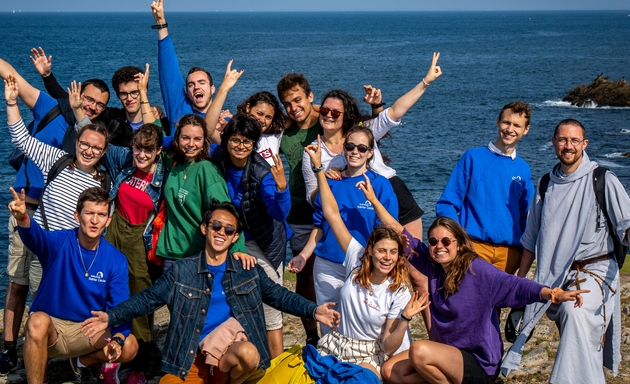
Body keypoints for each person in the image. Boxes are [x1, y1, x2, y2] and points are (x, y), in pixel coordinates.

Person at [81, 201, 340, 384]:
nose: (221, 233)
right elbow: (148, 299)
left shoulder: (246, 269)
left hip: (231, 357)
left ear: (234, 236)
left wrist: (313, 310)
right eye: (216, 226)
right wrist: (111, 317)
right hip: (191, 357)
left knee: (249, 353)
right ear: (205, 228)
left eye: (229, 230)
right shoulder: (182, 271)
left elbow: (279, 296)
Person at [379, 216, 587, 384]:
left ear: (459, 245)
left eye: (446, 241)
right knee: (391, 371)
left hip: (478, 363)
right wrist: (372, 198)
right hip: (446, 354)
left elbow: (516, 285)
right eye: (433, 241)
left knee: (419, 350)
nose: (439, 246)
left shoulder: (477, 270)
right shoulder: (434, 266)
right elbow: (401, 233)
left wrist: (551, 293)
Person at [501, 119, 630, 384]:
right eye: (562, 140)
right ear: (553, 143)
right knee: (582, 343)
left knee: (574, 314)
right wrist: (520, 285)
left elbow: (626, 224)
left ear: (584, 144)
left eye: (574, 141)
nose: (568, 146)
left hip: (597, 272)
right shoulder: (547, 183)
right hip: (556, 277)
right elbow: (531, 239)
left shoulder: (603, 179)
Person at [304, 135, 430, 377]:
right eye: (381, 250)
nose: (387, 257)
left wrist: (405, 317)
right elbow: (330, 213)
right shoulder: (357, 255)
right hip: (341, 343)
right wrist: (319, 168)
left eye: (393, 252)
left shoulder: (399, 290)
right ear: (370, 250)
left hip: (373, 354)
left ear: (371, 152)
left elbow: (395, 229)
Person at [8, 186, 139, 384]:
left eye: (101, 215)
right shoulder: (59, 242)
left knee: (130, 345)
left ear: (108, 220)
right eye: (89, 213)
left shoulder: (116, 259)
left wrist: (118, 339)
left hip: (88, 331)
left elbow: (120, 307)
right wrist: (23, 218)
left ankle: (83, 362)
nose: (95, 220)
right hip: (52, 331)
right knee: (36, 322)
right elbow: (36, 237)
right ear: (77, 216)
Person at [289, 127, 399, 336]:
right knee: (330, 326)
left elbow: (389, 231)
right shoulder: (330, 183)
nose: (355, 152)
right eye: (350, 146)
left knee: (364, 325)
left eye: (362, 148)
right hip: (328, 266)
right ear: (343, 150)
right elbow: (320, 226)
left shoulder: (381, 186)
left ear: (370, 153)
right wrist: (304, 256)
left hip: (364, 265)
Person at [0, 57, 72, 374]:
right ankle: (8, 347)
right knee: (17, 283)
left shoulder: (86, 136)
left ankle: (42, 347)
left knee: (43, 287)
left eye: (98, 105)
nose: (90, 106)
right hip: (24, 208)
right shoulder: (48, 107)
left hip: (56, 219)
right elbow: (11, 74)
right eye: (86, 99)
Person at [210, 113, 290, 359]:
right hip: (231, 241)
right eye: (235, 140)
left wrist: (281, 189)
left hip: (262, 243)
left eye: (247, 142)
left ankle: (275, 367)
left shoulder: (262, 173)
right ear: (226, 141)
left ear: (254, 144)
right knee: (233, 304)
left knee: (270, 311)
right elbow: (195, 137)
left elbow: (278, 212)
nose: (240, 146)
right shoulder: (219, 156)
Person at [436, 101, 534, 278]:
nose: (510, 129)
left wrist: (520, 252)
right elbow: (447, 203)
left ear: (526, 130)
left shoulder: (523, 168)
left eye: (517, 125)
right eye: (506, 122)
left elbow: (527, 216)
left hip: (509, 254)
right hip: (473, 247)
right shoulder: (472, 157)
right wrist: (458, 241)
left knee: (496, 304)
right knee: (469, 302)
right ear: (497, 121)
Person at [101, 123, 166, 384]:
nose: (141, 154)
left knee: (139, 298)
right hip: (115, 228)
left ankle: (140, 363)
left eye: (149, 150)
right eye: (138, 147)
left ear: (159, 151)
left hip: (141, 238)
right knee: (105, 290)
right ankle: (107, 356)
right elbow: (99, 144)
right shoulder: (127, 164)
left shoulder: (164, 176)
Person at [155, 113, 246, 267]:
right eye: (185, 138)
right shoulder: (174, 162)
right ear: (177, 138)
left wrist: (238, 248)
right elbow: (151, 141)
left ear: (205, 142)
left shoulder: (207, 170)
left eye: (197, 139)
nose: (191, 144)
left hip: (195, 254)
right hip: (169, 252)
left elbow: (227, 211)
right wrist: (155, 115)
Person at [29, 47, 170, 142]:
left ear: (144, 91)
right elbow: (72, 102)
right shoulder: (112, 119)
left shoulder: (162, 122)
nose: (129, 98)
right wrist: (47, 77)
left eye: (134, 92)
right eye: (123, 94)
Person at [150, 0, 216, 133]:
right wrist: (161, 24)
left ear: (212, 89)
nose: (196, 86)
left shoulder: (223, 121)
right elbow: (169, 69)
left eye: (201, 82)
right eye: (191, 84)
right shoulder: (179, 107)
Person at [235, 91, 286, 166]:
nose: (262, 120)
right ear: (248, 108)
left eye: (268, 117)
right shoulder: (234, 133)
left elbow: (294, 118)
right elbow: (211, 130)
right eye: (259, 113)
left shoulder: (274, 135)